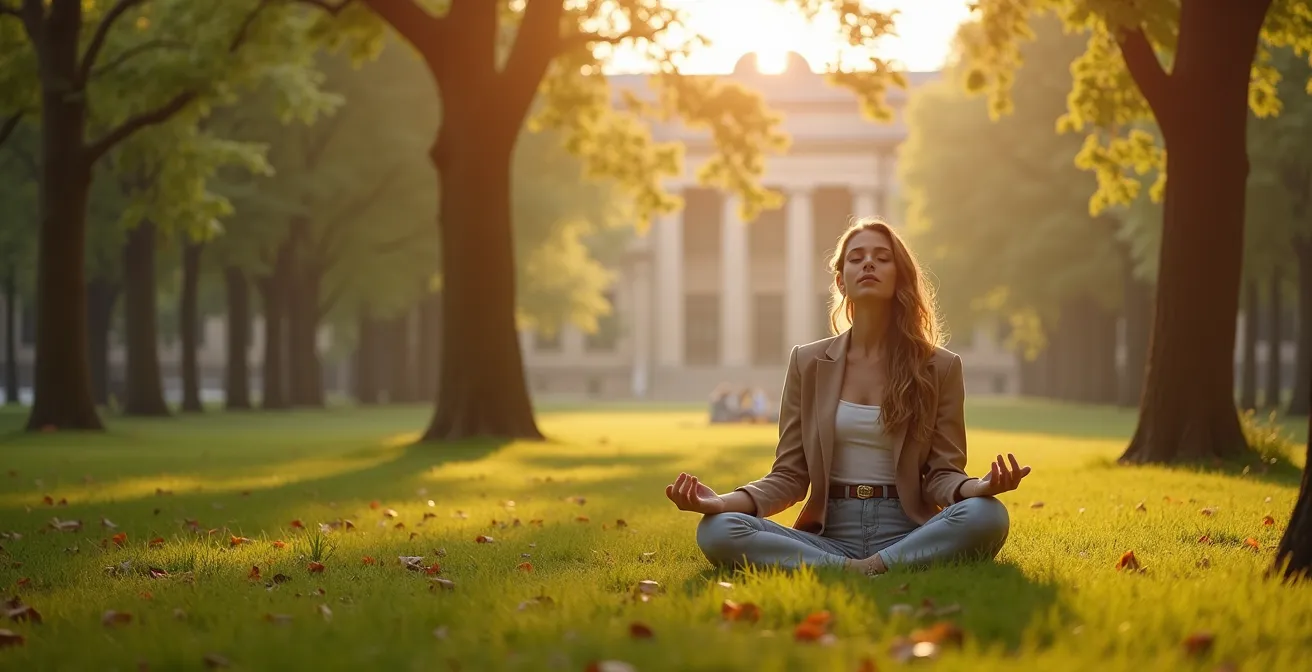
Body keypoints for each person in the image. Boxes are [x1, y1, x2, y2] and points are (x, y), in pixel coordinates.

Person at [665, 218, 1032, 575]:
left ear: (899, 275)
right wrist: (720, 502)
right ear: (840, 281)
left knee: (988, 514)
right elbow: (790, 476)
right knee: (716, 528)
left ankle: (871, 566)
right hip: (829, 535)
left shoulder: (940, 366)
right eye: (856, 258)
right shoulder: (807, 362)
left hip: (908, 531)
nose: (868, 262)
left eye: (882, 257)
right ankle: (852, 568)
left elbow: (942, 474)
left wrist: (979, 487)